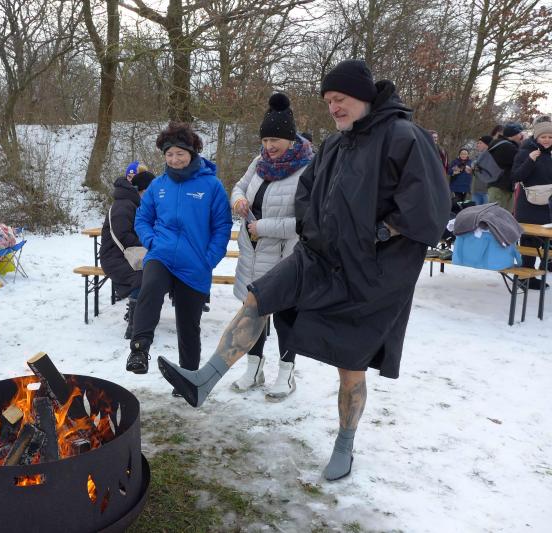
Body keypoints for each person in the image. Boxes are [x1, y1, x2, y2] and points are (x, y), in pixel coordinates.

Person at [158, 59, 449, 481]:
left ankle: (344, 445)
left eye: (340, 98)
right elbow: (308, 193)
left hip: (371, 270)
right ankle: (204, 381)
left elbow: (428, 208)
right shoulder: (335, 144)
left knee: (351, 364)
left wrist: (375, 235)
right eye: (328, 100)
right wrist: (313, 226)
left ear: (363, 96)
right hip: (316, 254)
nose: (334, 107)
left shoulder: (405, 138)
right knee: (258, 296)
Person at [126, 122, 232, 382]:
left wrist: (209, 259)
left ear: (192, 153)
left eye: (180, 154)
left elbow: (222, 226)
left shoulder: (212, 186)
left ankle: (189, 378)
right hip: (161, 255)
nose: (174, 159)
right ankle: (139, 350)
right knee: (150, 288)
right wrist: (151, 241)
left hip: (195, 264)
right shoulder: (158, 185)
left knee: (188, 325)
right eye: (169, 154)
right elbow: (142, 219)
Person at [229, 93, 312, 401]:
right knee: (253, 315)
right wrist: (238, 199)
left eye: (275, 140)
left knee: (284, 318)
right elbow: (239, 186)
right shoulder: (259, 162)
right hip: (252, 255)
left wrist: (263, 227)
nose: (269, 146)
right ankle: (254, 369)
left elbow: (308, 222)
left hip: (284, 258)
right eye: (265, 140)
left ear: (291, 138)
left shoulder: (307, 169)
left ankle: (286, 375)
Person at [100, 166, 156, 338]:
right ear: (142, 190)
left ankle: (144, 317)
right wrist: (150, 244)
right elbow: (123, 236)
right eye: (151, 191)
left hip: (127, 255)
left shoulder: (134, 203)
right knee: (144, 276)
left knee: (158, 271)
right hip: (115, 258)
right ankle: (134, 325)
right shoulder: (123, 205)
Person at [511, 115, 552, 290]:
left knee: (545, 241)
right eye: (543, 137)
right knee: (529, 242)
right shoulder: (525, 152)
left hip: (547, 206)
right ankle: (525, 277)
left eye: (550, 137)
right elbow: (516, 176)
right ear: (536, 137)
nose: (547, 140)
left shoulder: (550, 154)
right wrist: (530, 160)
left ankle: (539, 272)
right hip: (529, 205)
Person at [488, 122, 523, 212]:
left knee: (502, 216)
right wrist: (524, 143)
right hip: (500, 188)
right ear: (513, 134)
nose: (521, 136)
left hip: (500, 186)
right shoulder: (507, 146)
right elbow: (521, 160)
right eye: (520, 133)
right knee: (498, 216)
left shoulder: (499, 143)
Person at [470, 135, 493, 205]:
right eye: (478, 143)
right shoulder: (478, 156)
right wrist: (471, 170)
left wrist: (476, 167)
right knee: (476, 211)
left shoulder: (493, 155)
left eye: (480, 143)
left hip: (487, 191)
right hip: (476, 190)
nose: (477, 145)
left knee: (487, 211)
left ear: (487, 144)